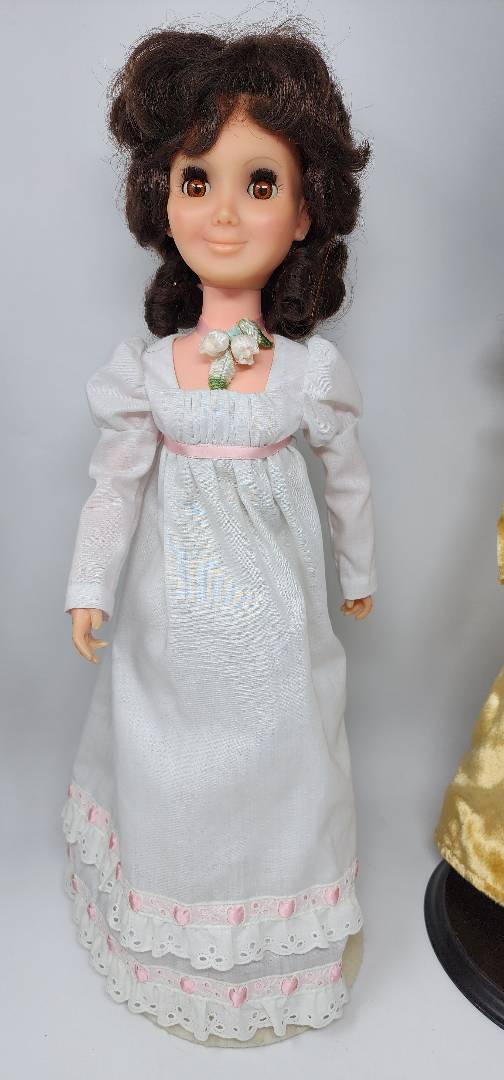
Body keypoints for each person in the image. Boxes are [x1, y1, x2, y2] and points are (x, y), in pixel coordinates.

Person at [61, 20, 377, 1046]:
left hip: (274, 623)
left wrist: (359, 572)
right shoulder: (150, 372)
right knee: (170, 763)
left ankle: (278, 932)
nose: (225, 214)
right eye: (197, 181)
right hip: (173, 625)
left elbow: (346, 479)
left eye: (259, 183)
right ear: (162, 196)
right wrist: (90, 586)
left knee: (288, 751)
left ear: (305, 210)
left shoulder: (308, 374)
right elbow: (114, 487)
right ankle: (174, 918)